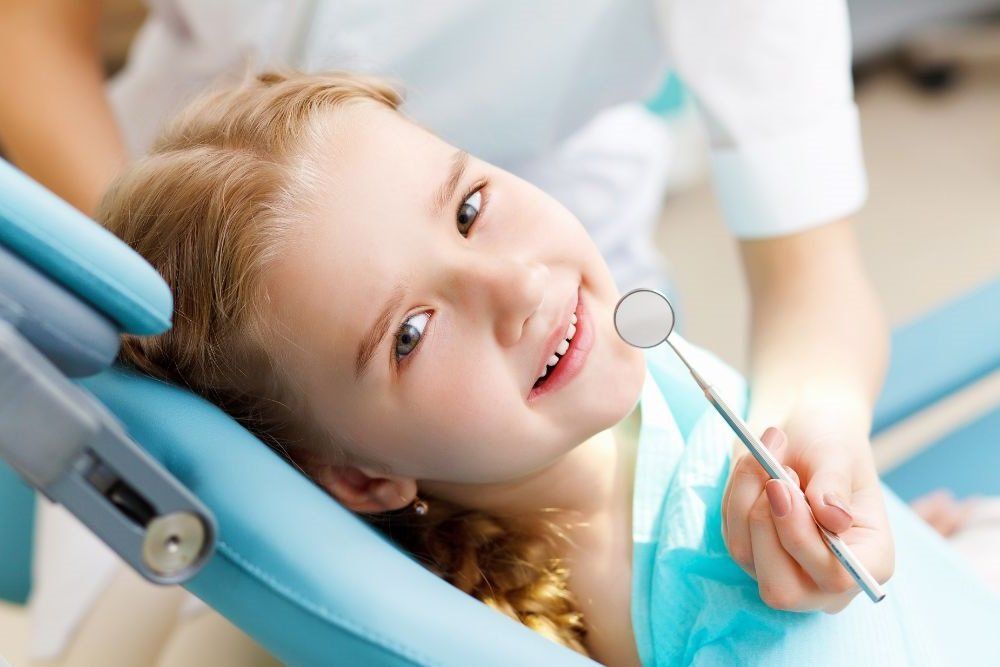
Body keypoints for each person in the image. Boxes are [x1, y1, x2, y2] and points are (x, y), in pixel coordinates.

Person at [92, 70, 999, 665]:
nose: (514, 285)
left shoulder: (619, 398)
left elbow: (818, 304)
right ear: (365, 475)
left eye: (470, 207)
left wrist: (899, 529)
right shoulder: (718, 614)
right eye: (409, 332)